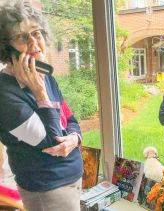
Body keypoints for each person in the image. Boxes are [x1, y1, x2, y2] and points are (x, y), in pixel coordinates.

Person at [0, 1, 83, 211]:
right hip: (47, 190)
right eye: (22, 37)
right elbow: (52, 140)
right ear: (5, 47)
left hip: (71, 179)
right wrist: (39, 92)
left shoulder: (44, 76)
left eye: (37, 33)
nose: (34, 42)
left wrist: (74, 138)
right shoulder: (5, 93)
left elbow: (70, 120)